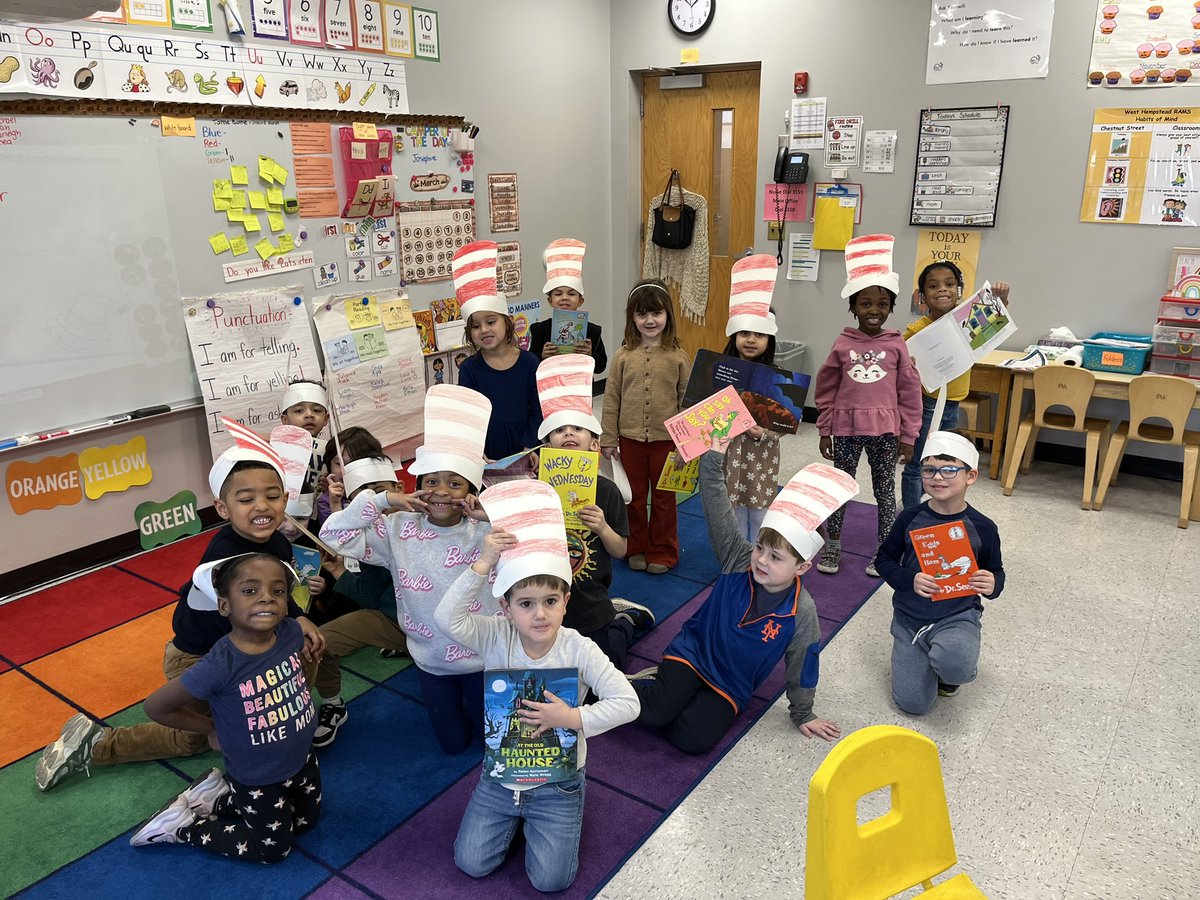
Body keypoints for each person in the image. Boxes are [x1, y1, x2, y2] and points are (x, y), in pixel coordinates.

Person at [35, 426, 325, 791]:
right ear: (222, 508)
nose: (262, 506)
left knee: (301, 651)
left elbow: (279, 593)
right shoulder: (225, 557)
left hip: (239, 646)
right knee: (192, 739)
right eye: (246, 499)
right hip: (199, 655)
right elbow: (238, 634)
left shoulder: (277, 544)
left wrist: (300, 616)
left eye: (271, 496)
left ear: (285, 498)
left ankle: (280, 721)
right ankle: (97, 743)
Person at [434, 480, 639, 893]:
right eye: (526, 604)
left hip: (558, 784)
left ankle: (628, 620)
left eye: (550, 601)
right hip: (501, 777)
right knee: (470, 863)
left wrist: (573, 717)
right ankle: (515, 821)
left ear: (566, 601)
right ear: (506, 608)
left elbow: (628, 703)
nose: (540, 615)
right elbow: (446, 620)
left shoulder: (578, 648)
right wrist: (482, 564)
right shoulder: (496, 635)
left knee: (550, 881)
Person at [630, 453, 855, 755]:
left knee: (692, 741)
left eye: (776, 557)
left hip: (730, 684)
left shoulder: (802, 612)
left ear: (801, 568)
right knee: (656, 713)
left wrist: (803, 712)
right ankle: (645, 689)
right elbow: (717, 508)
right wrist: (712, 460)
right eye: (760, 548)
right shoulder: (738, 557)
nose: (761, 560)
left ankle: (667, 695)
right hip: (693, 654)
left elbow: (804, 663)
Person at [319, 385, 493, 754]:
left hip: (484, 657)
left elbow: (532, 541)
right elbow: (333, 534)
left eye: (454, 483)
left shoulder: (485, 531)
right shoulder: (397, 529)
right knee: (453, 745)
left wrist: (489, 515)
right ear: (416, 486)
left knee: (491, 740)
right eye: (431, 481)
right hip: (430, 658)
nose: (441, 491)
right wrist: (383, 499)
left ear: (471, 490)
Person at [129, 554, 320, 861]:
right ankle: (183, 826)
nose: (267, 598)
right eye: (250, 591)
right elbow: (156, 707)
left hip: (302, 758)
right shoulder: (219, 665)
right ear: (224, 606)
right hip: (257, 776)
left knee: (307, 824)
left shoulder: (291, 633)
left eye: (278, 591)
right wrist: (209, 728)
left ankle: (214, 800)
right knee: (274, 851)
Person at [535, 354, 654, 668]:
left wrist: (602, 527)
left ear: (593, 445)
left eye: (577, 428)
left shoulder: (607, 491)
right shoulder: (538, 489)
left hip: (591, 602)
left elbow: (620, 550)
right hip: (547, 600)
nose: (568, 434)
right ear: (547, 446)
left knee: (608, 665)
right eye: (559, 430)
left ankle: (624, 620)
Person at [814, 234, 922, 577]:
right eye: (865, 303)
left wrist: (909, 436)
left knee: (884, 491)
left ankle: (884, 550)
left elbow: (910, 392)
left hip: (885, 434)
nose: (874, 310)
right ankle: (833, 545)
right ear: (853, 307)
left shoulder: (897, 345)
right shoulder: (842, 343)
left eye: (882, 304)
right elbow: (826, 388)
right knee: (840, 489)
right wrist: (825, 428)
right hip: (846, 431)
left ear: (890, 307)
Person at [875, 431, 1005, 715]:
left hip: (957, 615)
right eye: (929, 470)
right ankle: (924, 655)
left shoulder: (983, 527)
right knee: (913, 705)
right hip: (910, 620)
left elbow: (995, 571)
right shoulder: (909, 518)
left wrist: (992, 583)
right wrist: (908, 579)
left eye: (949, 470)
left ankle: (951, 670)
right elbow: (883, 559)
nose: (937, 478)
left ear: (971, 476)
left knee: (956, 666)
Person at [901, 261, 1011, 511]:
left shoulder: (965, 320)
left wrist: (1001, 299)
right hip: (927, 404)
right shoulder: (917, 329)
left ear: (959, 289)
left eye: (949, 284)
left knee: (940, 459)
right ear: (922, 296)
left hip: (953, 403)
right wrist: (906, 361)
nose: (942, 289)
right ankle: (910, 514)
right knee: (918, 463)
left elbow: (994, 322)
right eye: (933, 286)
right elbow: (896, 354)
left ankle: (920, 506)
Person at [311, 456, 405, 748]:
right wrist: (338, 570)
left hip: (446, 632)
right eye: (360, 500)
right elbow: (371, 596)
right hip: (395, 620)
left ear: (398, 489)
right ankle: (333, 703)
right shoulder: (366, 538)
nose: (371, 504)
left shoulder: (426, 523)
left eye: (378, 492)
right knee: (319, 642)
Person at [600, 279, 690, 574]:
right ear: (632, 318)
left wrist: (687, 443)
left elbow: (686, 402)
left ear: (667, 316)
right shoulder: (623, 357)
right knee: (633, 498)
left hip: (668, 442)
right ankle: (635, 546)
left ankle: (663, 550)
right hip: (630, 441)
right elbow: (611, 398)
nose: (650, 320)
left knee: (664, 499)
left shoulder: (678, 357)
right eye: (642, 314)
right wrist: (608, 438)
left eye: (656, 313)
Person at [454, 240, 543, 460]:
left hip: (526, 447)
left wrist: (529, 446)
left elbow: (537, 408)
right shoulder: (469, 369)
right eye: (476, 326)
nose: (484, 330)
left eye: (491, 321)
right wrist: (477, 450)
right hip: (486, 450)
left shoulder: (530, 363)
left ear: (507, 322)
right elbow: (468, 415)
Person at [720, 254, 783, 539]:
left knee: (759, 511)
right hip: (730, 452)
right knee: (731, 509)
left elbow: (784, 421)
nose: (751, 339)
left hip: (761, 456)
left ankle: (759, 553)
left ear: (770, 339)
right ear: (734, 335)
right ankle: (737, 555)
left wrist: (765, 433)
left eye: (759, 334)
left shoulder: (775, 377)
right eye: (744, 332)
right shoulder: (720, 371)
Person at [529, 238, 608, 375]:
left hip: (581, 383)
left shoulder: (592, 331)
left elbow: (601, 367)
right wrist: (541, 356)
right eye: (558, 294)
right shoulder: (539, 330)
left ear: (580, 301)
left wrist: (590, 355)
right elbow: (530, 364)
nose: (564, 298)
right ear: (550, 301)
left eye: (571, 294)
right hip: (551, 382)